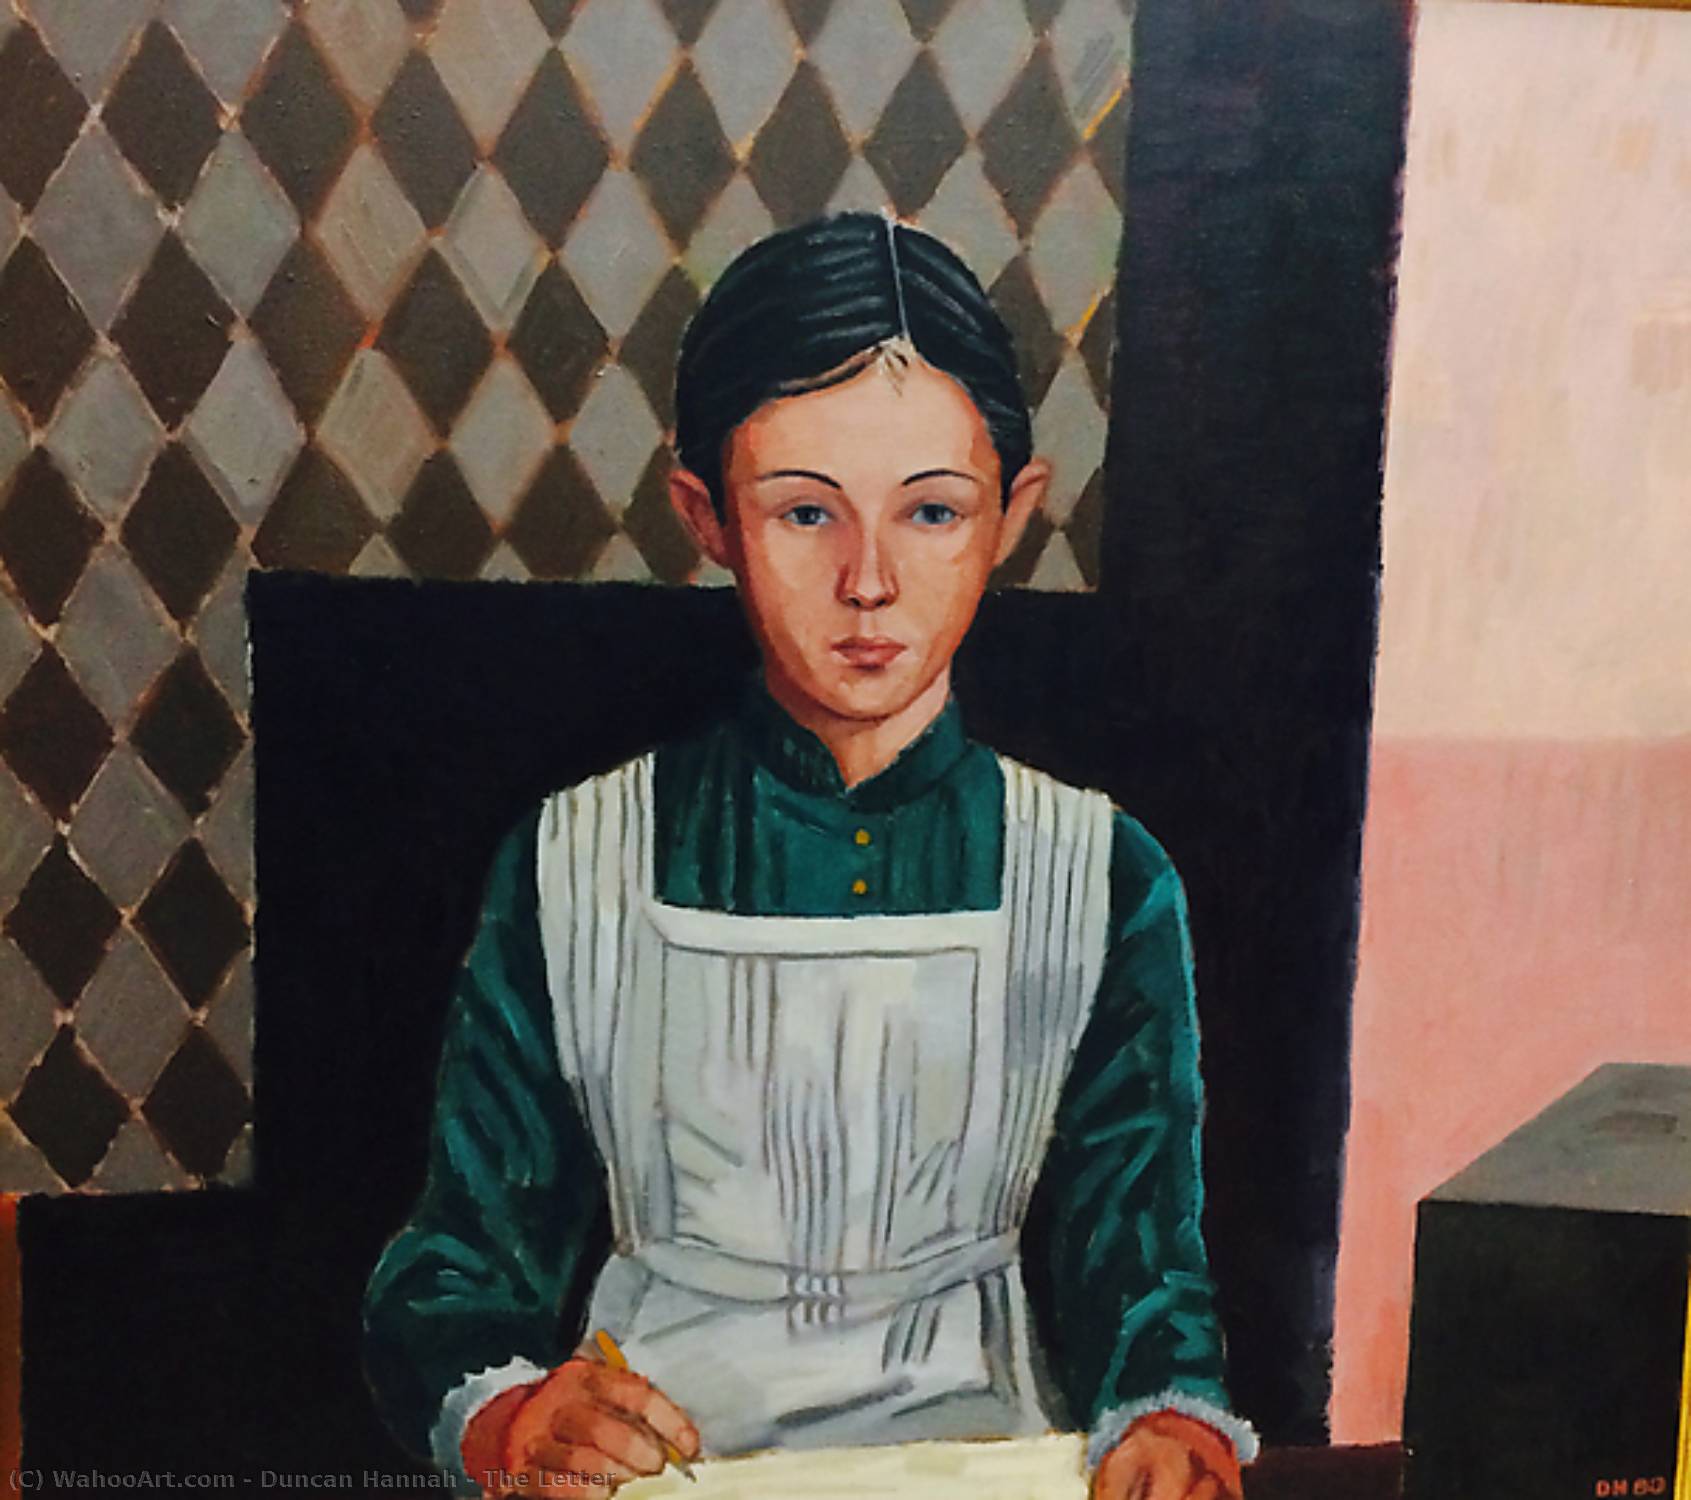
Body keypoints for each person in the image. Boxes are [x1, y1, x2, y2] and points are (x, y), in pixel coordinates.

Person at [362, 213, 1257, 1500]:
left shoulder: (1099, 874)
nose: (867, 581)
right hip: (661, 1475)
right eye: (802, 513)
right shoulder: (576, 858)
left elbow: (1138, 1262)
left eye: (931, 511)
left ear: (1011, 514)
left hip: (980, 1465)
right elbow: (459, 1261)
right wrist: (509, 1416)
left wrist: (1167, 1421)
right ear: (707, 517)